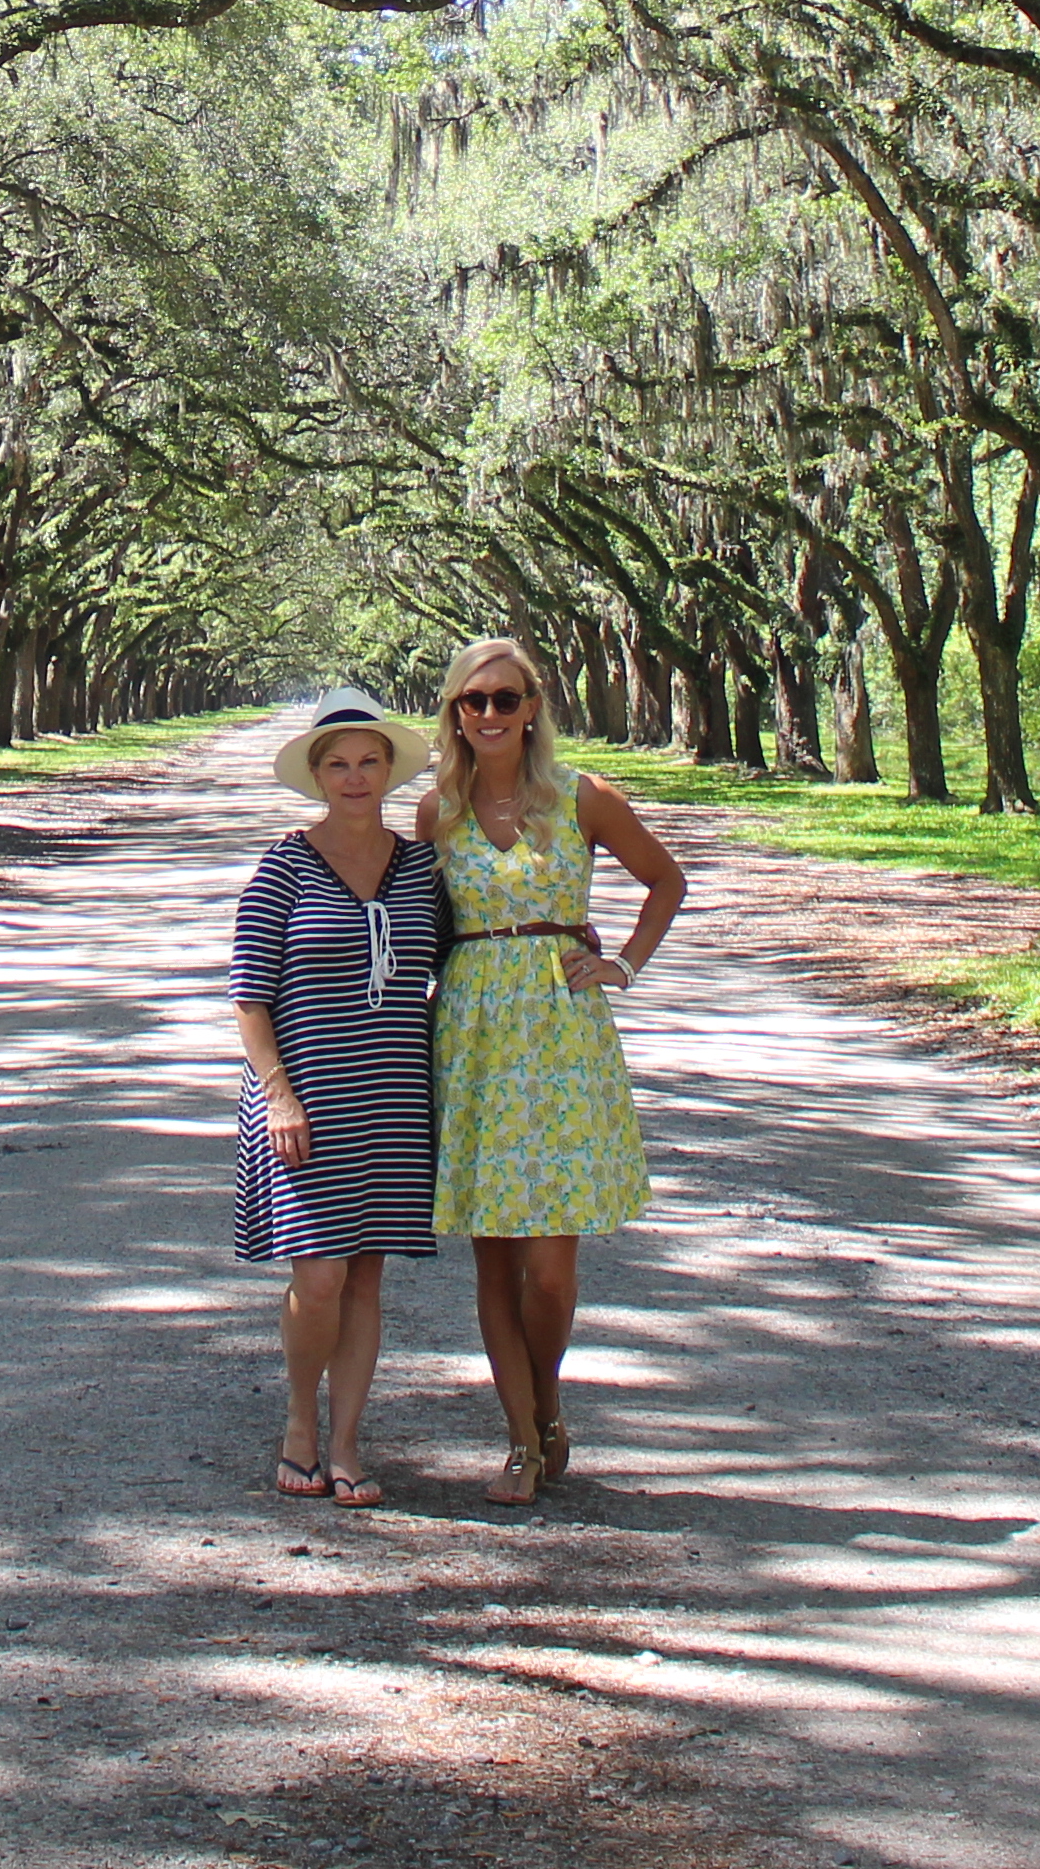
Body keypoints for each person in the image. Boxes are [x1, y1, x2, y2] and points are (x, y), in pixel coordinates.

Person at [421, 633, 683, 1505]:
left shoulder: (584, 799)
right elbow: (408, 921)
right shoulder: (438, 815)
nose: (488, 714)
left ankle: (548, 1393)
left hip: (564, 1042)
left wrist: (622, 965)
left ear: (533, 707)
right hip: (475, 1040)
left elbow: (666, 882)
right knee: (494, 1262)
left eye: (504, 698)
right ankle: (522, 1438)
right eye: (472, 700)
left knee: (550, 1271)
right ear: (455, 715)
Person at [231, 704, 446, 1508]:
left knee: (364, 1279)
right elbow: (249, 996)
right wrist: (278, 1096)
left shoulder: (424, 869)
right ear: (318, 778)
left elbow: (476, 952)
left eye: (369, 763)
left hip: (394, 1099)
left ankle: (350, 1442)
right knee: (318, 1276)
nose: (355, 778)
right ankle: (299, 1423)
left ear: (389, 772)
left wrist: (572, 940)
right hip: (307, 1100)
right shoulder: (284, 867)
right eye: (338, 765)